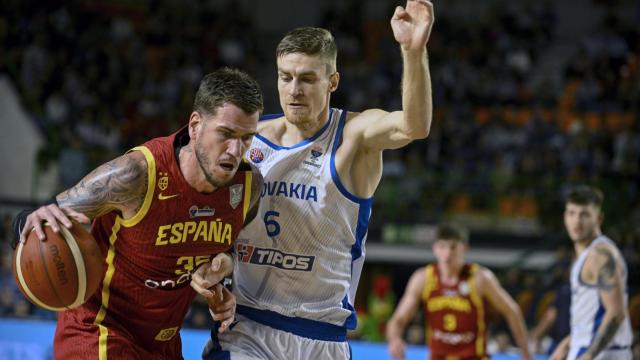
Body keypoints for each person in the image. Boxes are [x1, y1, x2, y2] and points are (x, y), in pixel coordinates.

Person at [191, 0, 435, 358]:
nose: (294, 90)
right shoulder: (249, 139)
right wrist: (213, 263)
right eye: (285, 77)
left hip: (322, 336)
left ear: (332, 81)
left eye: (307, 79)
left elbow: (414, 125)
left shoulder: (354, 137)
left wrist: (413, 52)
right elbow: (212, 214)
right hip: (248, 327)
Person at [12, 67, 264, 359]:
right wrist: (26, 225)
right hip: (100, 331)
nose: (235, 150)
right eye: (226, 134)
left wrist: (223, 271)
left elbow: (230, 250)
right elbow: (35, 223)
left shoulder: (248, 188)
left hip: (163, 343)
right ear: (195, 125)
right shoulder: (136, 175)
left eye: (246, 139)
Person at [385, 223, 533, 360]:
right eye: (442, 247)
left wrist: (526, 354)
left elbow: (512, 311)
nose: (447, 253)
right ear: (434, 248)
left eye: (453, 247)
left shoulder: (480, 278)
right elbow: (398, 319)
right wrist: (394, 339)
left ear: (465, 248)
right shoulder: (423, 278)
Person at [550, 186, 633, 360]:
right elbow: (591, 316)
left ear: (599, 218)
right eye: (572, 213)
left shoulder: (601, 255)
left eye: (584, 214)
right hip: (590, 348)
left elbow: (616, 313)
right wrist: (568, 343)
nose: (577, 221)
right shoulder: (588, 253)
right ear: (564, 216)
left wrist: (588, 355)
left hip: (603, 353)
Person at [529, 281, 571, 355]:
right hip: (572, 341)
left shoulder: (565, 288)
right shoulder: (565, 288)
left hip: (565, 343)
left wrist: (536, 336)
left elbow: (551, 316)